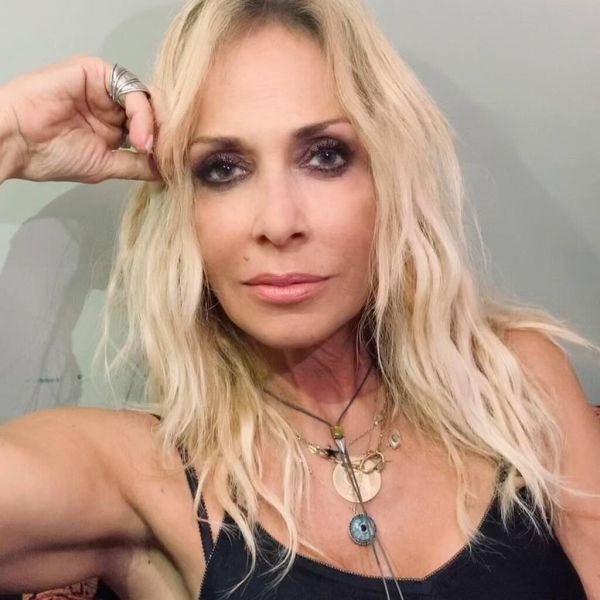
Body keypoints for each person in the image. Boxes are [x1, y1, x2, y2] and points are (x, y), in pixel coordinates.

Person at [0, 1, 599, 599]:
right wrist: (10, 134)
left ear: (388, 176)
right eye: (223, 168)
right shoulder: (138, 471)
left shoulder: (513, 379)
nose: (279, 222)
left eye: (326, 156)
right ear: (185, 206)